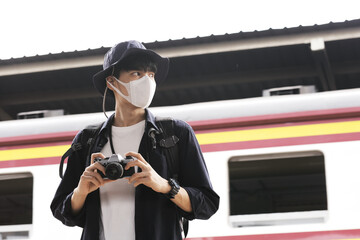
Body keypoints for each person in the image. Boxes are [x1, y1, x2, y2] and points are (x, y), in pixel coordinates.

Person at [50, 40, 220, 240]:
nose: (147, 81)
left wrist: (164, 185)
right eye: (136, 74)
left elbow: (207, 204)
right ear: (112, 82)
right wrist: (81, 191)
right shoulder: (87, 140)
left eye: (151, 75)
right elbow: (62, 211)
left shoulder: (175, 134)